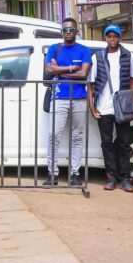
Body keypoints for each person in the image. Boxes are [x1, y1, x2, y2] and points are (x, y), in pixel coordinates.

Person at [88, 24, 133, 192]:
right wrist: (92, 107)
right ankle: (111, 177)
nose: (112, 39)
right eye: (109, 36)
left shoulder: (128, 55)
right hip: (103, 107)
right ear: (105, 38)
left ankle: (125, 178)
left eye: (115, 36)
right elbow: (92, 85)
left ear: (120, 38)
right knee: (107, 143)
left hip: (122, 106)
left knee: (124, 143)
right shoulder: (98, 57)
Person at [44, 18, 92, 187]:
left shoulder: (84, 50)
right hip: (59, 98)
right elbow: (49, 69)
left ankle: (74, 174)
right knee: (53, 136)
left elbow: (84, 74)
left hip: (79, 98)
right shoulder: (54, 49)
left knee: (77, 137)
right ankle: (52, 173)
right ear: (62, 32)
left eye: (72, 29)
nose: (69, 31)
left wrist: (60, 72)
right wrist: (71, 69)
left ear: (77, 31)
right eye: (66, 29)